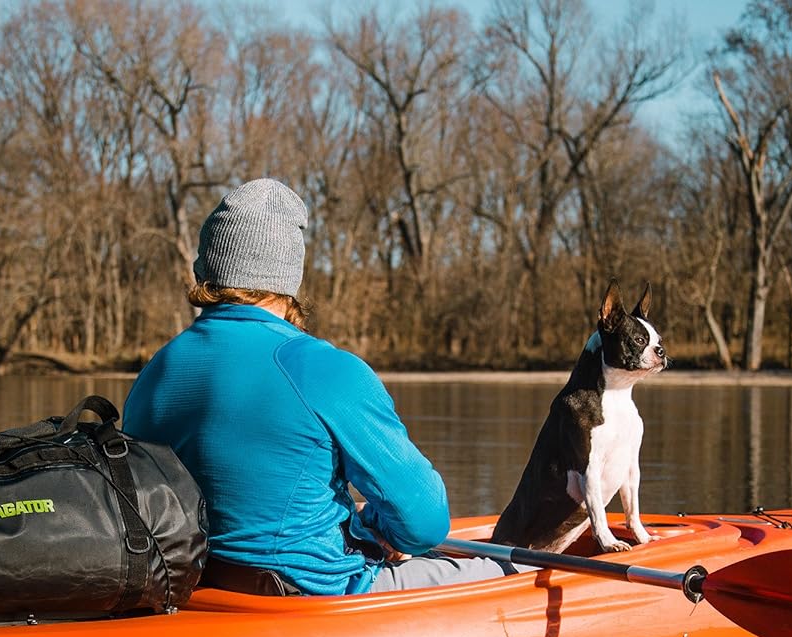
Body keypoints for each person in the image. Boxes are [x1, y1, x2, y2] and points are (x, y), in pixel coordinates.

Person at [121, 178, 512, 596]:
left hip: (197, 590)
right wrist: (385, 528)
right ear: (289, 274)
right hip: (310, 598)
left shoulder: (156, 371)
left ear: (208, 268)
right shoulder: (324, 369)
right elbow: (425, 523)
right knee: (508, 575)